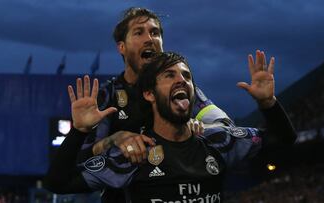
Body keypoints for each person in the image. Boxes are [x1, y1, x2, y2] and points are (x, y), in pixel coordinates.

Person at [44, 51, 297, 202]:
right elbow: (58, 183)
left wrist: (268, 103)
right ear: (149, 94)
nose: (182, 81)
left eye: (186, 76)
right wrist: (79, 131)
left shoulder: (219, 140)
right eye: (169, 76)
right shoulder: (134, 154)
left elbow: (284, 139)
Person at [75, 7, 232, 202]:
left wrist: (201, 127)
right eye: (139, 32)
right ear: (121, 47)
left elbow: (226, 126)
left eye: (155, 32)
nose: (149, 39)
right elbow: (84, 156)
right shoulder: (108, 95)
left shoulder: (184, 91)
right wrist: (114, 139)